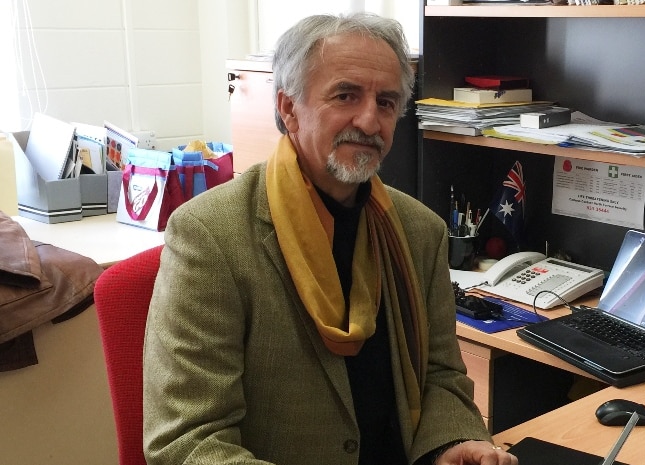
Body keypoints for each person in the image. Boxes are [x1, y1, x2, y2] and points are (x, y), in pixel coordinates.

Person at [143, 12, 517, 465]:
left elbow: (440, 376)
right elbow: (188, 441)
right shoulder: (210, 235)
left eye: (386, 102)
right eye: (346, 95)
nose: (370, 120)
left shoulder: (420, 232)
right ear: (287, 109)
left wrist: (452, 443)